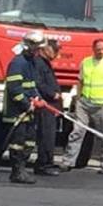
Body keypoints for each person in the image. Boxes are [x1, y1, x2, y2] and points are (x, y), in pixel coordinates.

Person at [64, 38, 103, 175]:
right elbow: (80, 82)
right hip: (85, 104)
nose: (101, 51)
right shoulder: (86, 62)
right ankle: (68, 162)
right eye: (98, 49)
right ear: (93, 49)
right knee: (77, 132)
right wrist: (78, 99)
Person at [2, 31, 46, 184]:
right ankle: (17, 172)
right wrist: (27, 105)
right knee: (17, 142)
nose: (39, 52)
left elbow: (32, 86)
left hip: (29, 111)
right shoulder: (18, 63)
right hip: (17, 112)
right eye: (38, 49)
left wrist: (39, 99)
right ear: (29, 47)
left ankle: (22, 169)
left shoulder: (31, 62)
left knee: (30, 141)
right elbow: (14, 88)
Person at [32, 39, 64, 176]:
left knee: (49, 134)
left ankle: (47, 162)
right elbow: (38, 83)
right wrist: (53, 94)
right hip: (46, 105)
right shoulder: (39, 63)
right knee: (46, 135)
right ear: (47, 49)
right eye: (55, 50)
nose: (57, 54)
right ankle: (43, 164)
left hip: (50, 105)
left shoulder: (45, 63)